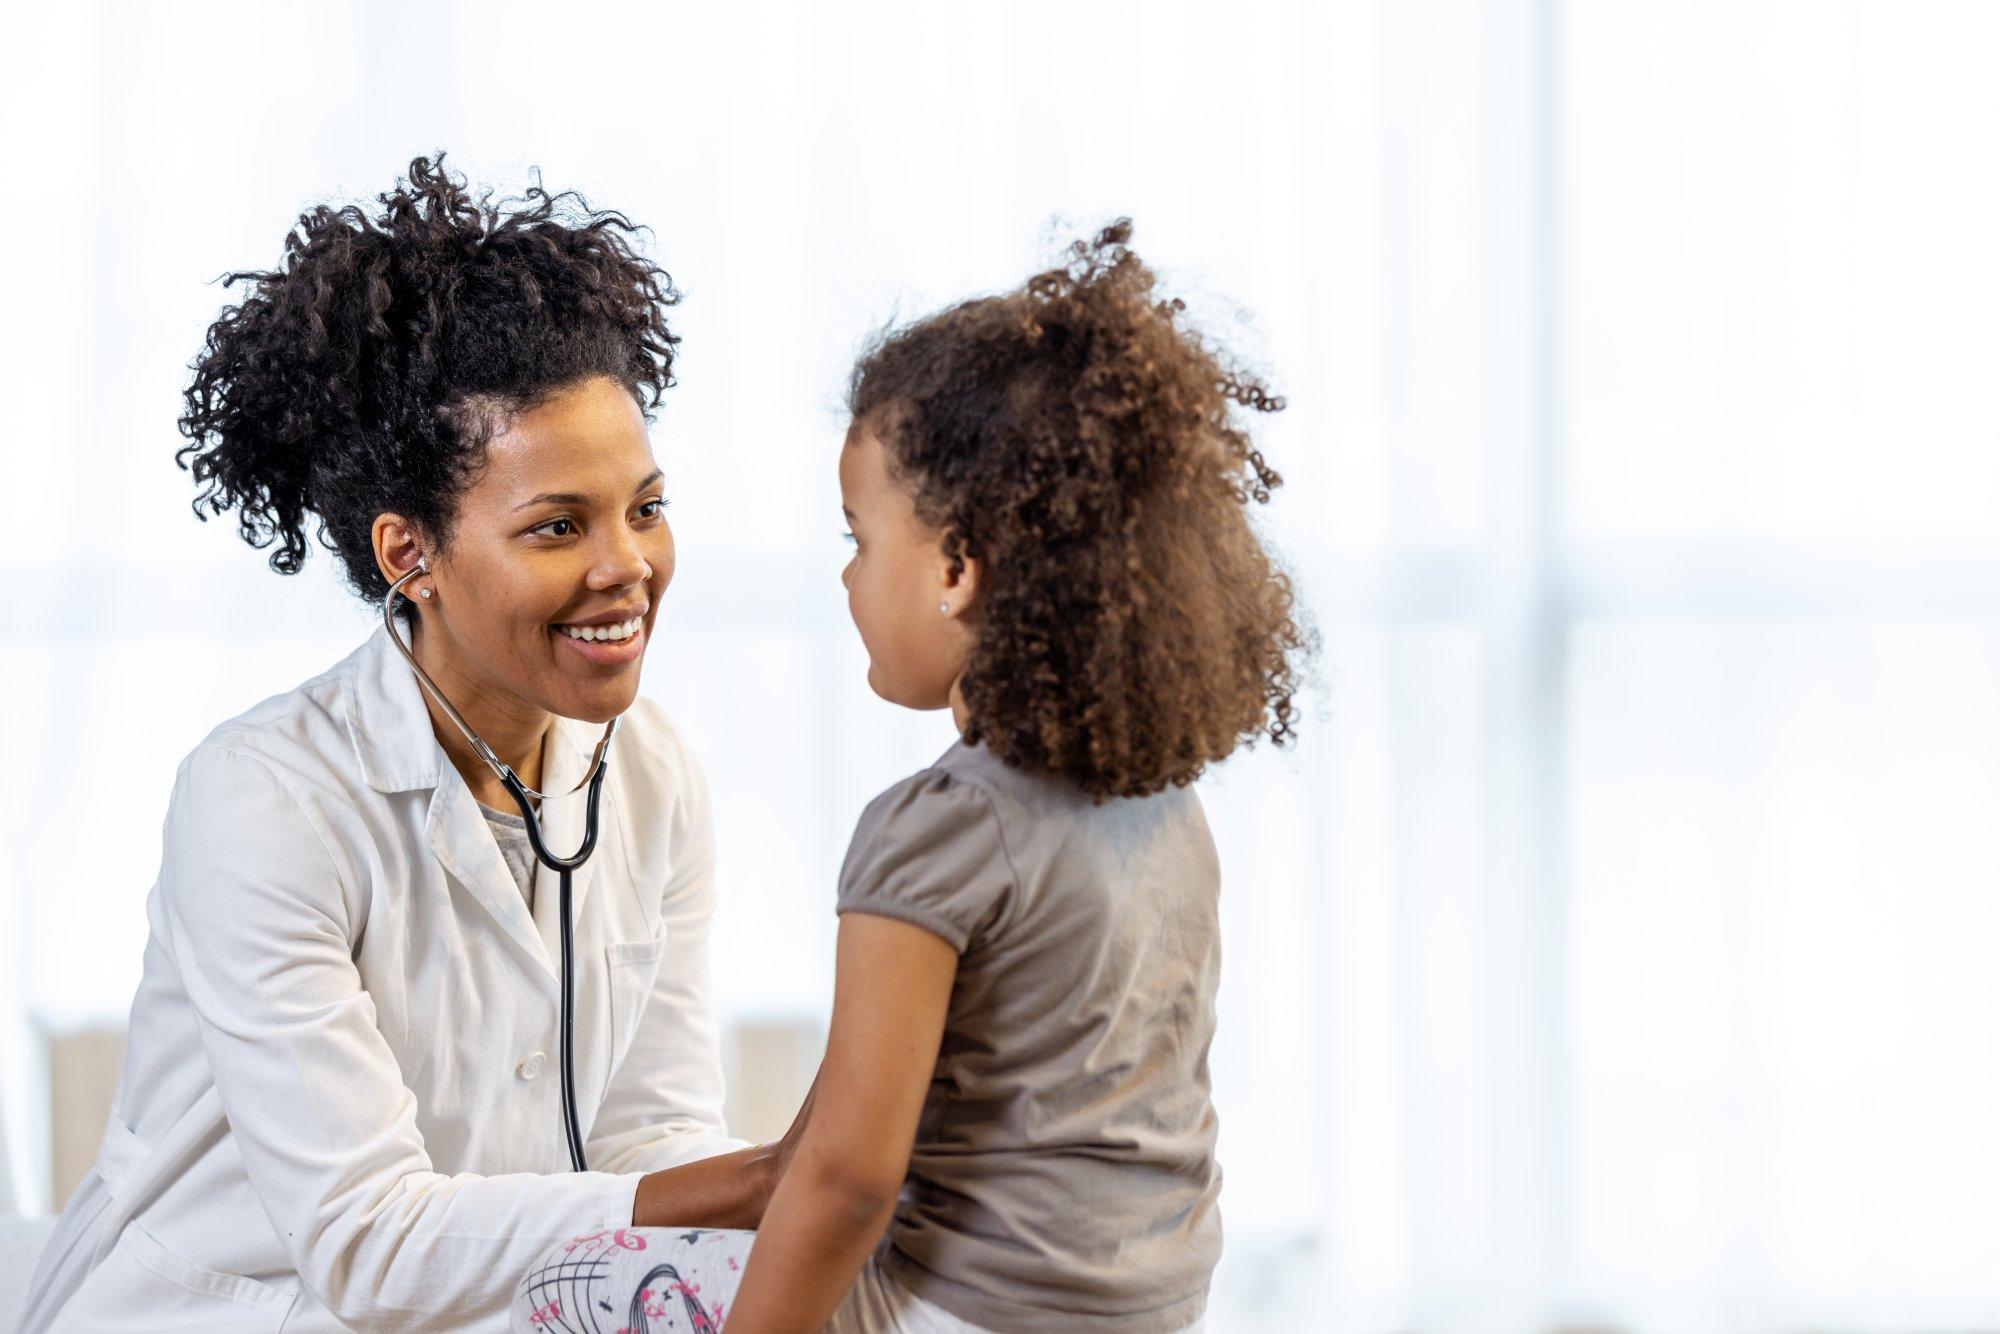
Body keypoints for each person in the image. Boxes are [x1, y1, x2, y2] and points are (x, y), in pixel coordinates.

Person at [20, 156, 795, 1333]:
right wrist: (760, 1180)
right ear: (408, 554)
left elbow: (650, 1134)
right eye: (557, 526)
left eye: (643, 506)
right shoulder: (263, 798)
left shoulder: (651, 771)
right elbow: (367, 1241)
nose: (627, 566)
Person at [526, 221, 1307, 1332]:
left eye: (857, 538)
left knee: (565, 1283)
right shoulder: (1164, 805)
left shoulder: (937, 827)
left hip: (958, 1313)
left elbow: (848, 1176)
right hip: (1146, 1311)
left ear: (952, 566)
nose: (846, 576)